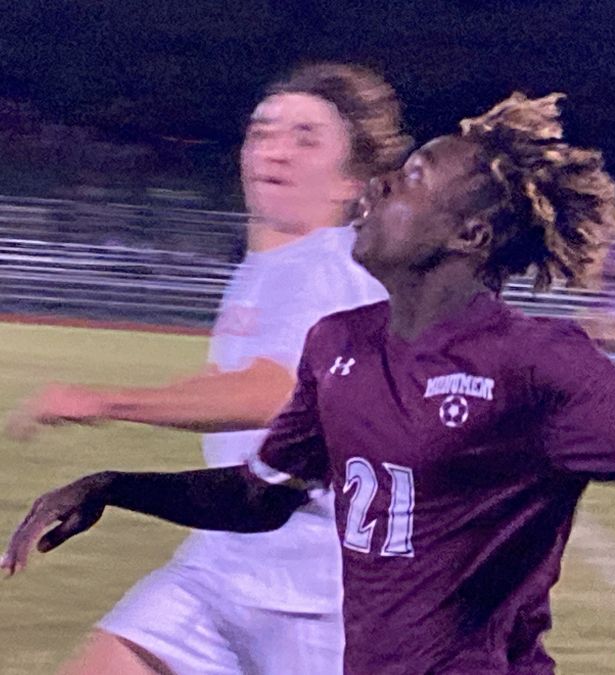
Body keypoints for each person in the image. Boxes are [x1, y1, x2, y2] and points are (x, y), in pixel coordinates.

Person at [4, 91, 615, 675]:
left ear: (468, 234)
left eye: (415, 178)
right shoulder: (339, 344)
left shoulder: (534, 361)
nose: (386, 181)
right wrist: (112, 486)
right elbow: (261, 497)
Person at [4, 63, 409, 674]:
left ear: (350, 182)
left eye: (306, 139)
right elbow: (243, 381)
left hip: (313, 596)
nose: (276, 149)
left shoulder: (333, 266)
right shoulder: (271, 266)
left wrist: (105, 401)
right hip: (224, 566)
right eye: (263, 131)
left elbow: (278, 392)